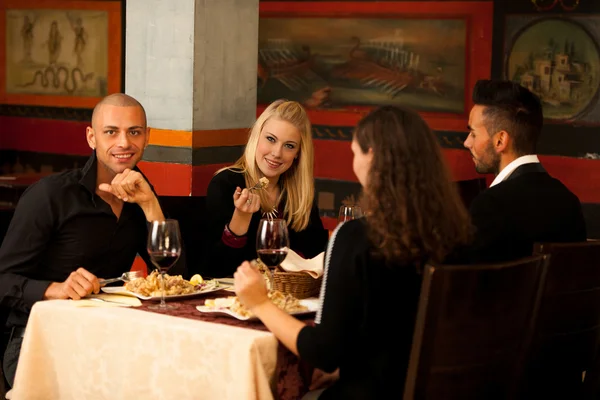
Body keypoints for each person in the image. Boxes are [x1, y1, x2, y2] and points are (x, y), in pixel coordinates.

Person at [233, 105, 473, 399]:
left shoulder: (355, 238)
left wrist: (259, 304)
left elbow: (323, 351)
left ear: (371, 156)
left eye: (355, 152)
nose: (353, 161)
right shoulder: (456, 234)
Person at [0, 93, 175, 388]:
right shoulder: (50, 196)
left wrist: (151, 208)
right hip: (38, 344)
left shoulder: (141, 192)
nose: (124, 143)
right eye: (111, 132)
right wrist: (54, 289)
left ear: (147, 138)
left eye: (134, 132)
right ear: (91, 137)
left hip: (110, 341)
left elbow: (176, 274)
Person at [464, 79, 586, 263]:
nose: (467, 142)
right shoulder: (569, 203)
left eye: (473, 133)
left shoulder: (489, 206)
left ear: (500, 141)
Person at [204, 99, 328, 277]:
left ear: (298, 154)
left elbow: (317, 259)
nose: (277, 153)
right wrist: (241, 218)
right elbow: (217, 269)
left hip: (288, 299)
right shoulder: (225, 183)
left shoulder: (300, 195)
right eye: (271, 139)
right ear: (256, 136)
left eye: (289, 146)